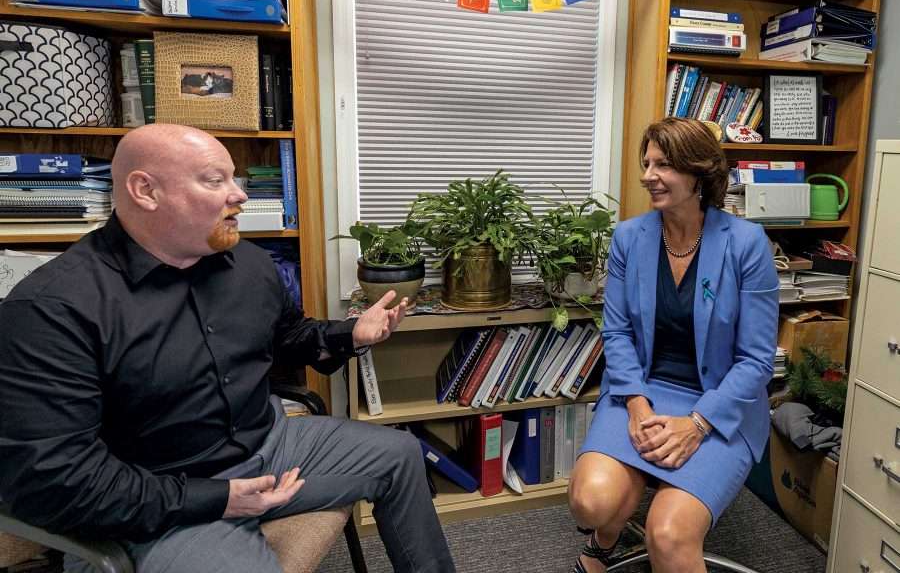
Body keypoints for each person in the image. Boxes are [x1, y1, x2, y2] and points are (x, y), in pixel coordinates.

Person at [0, 124, 455, 573]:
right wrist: (220, 497)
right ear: (145, 190)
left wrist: (350, 335)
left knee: (400, 453)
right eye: (215, 180)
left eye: (234, 178)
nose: (239, 194)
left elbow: (286, 339)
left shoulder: (250, 264)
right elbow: (53, 480)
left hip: (270, 444)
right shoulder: (52, 309)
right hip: (160, 492)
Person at [568, 117, 778, 573]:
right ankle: (606, 538)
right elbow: (618, 333)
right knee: (589, 502)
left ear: (697, 172)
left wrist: (698, 424)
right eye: (647, 163)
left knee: (668, 534)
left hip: (719, 403)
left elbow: (757, 361)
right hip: (642, 390)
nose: (648, 175)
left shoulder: (746, 244)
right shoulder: (629, 237)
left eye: (662, 164)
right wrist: (638, 407)